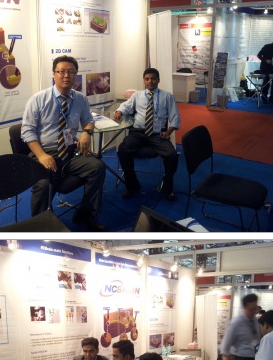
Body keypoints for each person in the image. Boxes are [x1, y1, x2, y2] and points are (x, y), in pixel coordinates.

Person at [21, 55, 106, 230]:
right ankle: (38, 225)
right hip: (45, 152)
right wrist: (41, 155)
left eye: (71, 72)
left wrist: (87, 132)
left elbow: (88, 120)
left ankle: (85, 214)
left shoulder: (80, 99)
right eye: (61, 72)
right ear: (54, 74)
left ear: (76, 75)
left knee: (97, 167)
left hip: (69, 152)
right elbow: (27, 132)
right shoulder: (38, 99)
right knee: (43, 184)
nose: (66, 76)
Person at [113, 68, 181, 200]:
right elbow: (126, 106)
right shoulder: (137, 95)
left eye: (153, 78)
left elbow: (175, 117)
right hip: (138, 132)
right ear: (144, 80)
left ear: (158, 80)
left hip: (158, 134)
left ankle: (167, 187)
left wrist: (168, 132)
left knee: (172, 155)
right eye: (147, 79)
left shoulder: (167, 96)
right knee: (122, 150)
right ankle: (132, 184)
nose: (150, 81)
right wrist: (118, 112)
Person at [220, 293, 262, 360]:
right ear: (244, 308)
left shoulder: (255, 322)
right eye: (251, 309)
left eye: (255, 308)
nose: (254, 311)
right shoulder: (236, 322)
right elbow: (225, 344)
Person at [257, 37, 273, 104]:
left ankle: (272, 98)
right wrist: (266, 60)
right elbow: (259, 55)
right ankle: (264, 97)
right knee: (266, 82)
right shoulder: (267, 46)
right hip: (266, 66)